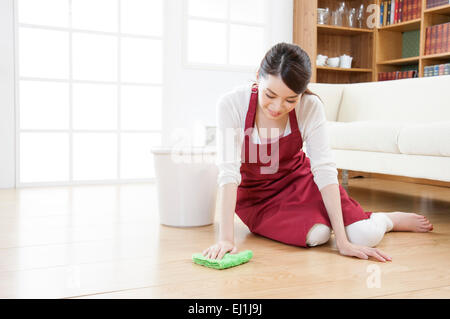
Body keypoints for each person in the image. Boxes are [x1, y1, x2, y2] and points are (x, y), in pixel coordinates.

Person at [203, 42, 433, 263]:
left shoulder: (311, 106)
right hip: (257, 197)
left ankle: (386, 219)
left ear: (301, 93)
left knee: (365, 236)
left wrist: (343, 243)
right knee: (317, 236)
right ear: (257, 76)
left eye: (290, 100)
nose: (277, 107)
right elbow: (228, 173)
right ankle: (335, 222)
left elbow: (324, 169)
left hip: (301, 181)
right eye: (270, 95)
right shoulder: (231, 104)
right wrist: (225, 239)